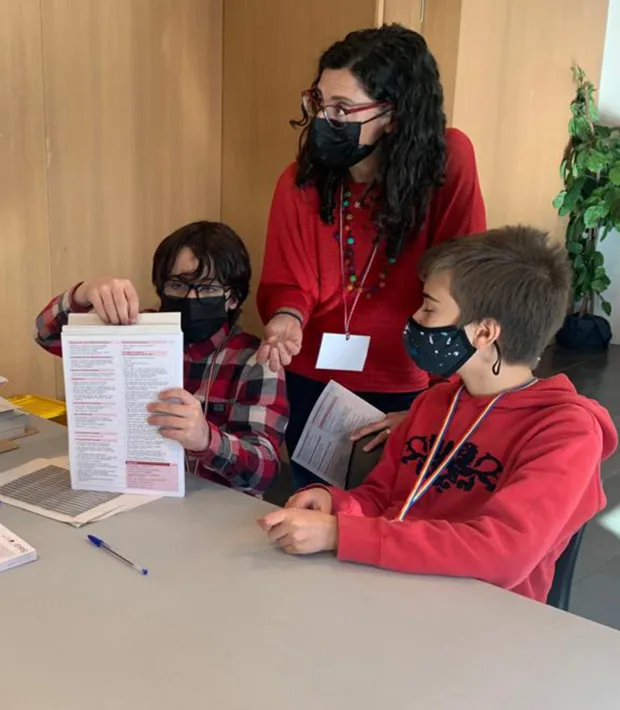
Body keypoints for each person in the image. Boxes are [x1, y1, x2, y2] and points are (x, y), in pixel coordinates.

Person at [258, 226, 614, 603]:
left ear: (484, 333)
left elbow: (504, 553)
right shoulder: (434, 403)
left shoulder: (566, 431)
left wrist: (340, 534)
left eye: (429, 308)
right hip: (386, 591)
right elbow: (380, 499)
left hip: (485, 622)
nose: (415, 318)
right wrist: (333, 504)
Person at [254, 24, 486, 491]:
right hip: (313, 374)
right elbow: (287, 280)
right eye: (318, 103)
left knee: (390, 510)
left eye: (342, 108)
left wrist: (444, 393)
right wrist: (286, 318)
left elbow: (464, 277)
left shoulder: (447, 162)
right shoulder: (300, 180)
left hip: (407, 374)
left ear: (394, 115)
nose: (324, 119)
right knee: (314, 502)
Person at [34, 221, 288, 495]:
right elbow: (46, 335)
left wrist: (206, 439)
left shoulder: (255, 360)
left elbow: (265, 471)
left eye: (208, 288)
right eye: (178, 285)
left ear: (233, 299)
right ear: (161, 287)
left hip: (213, 511)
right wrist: (83, 293)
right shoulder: (135, 330)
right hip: (131, 491)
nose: (191, 297)